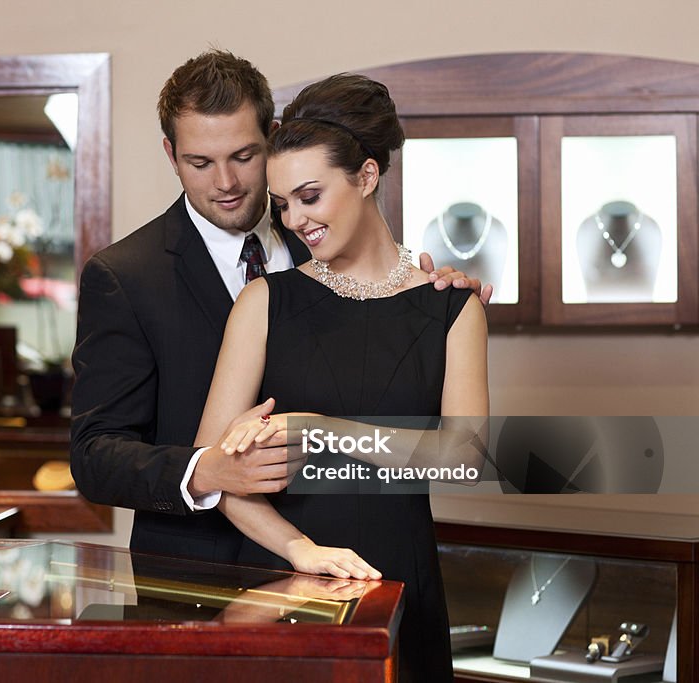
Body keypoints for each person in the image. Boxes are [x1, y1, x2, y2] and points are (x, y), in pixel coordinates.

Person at [70, 50, 487, 566]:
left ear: (271, 135)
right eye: (200, 163)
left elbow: (460, 449)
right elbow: (93, 455)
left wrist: (437, 302)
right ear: (171, 154)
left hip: (371, 551)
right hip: (194, 573)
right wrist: (209, 470)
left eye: (244, 156)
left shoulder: (319, 237)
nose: (225, 182)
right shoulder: (126, 276)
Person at [193, 73, 490, 681]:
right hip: (281, 583)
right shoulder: (263, 302)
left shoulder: (452, 307)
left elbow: (465, 458)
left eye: (309, 195)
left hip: (400, 582)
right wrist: (301, 551)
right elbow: (214, 466)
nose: (295, 219)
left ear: (367, 176)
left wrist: (318, 430)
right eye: (282, 205)